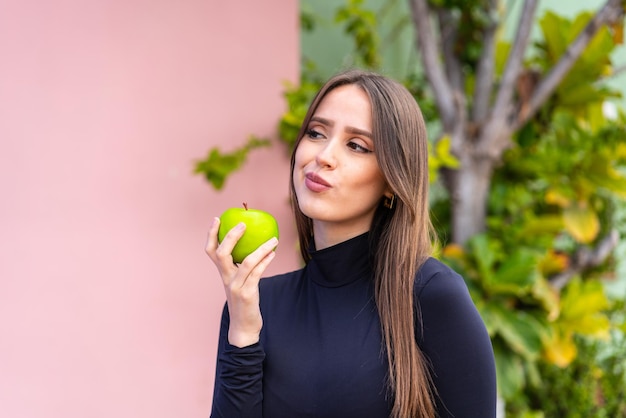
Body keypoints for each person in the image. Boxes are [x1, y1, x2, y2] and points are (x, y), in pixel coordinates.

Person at [206, 69, 497, 418]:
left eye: (356, 145)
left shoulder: (431, 295)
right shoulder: (257, 306)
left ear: (392, 180)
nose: (324, 156)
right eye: (316, 133)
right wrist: (243, 330)